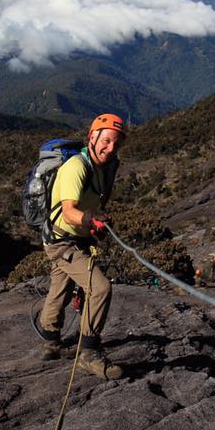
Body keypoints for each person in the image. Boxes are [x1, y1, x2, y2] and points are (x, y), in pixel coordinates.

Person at [38, 113, 126, 380]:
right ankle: (88, 354)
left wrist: (94, 223)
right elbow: (68, 212)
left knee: (60, 288)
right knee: (100, 288)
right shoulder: (76, 167)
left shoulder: (102, 167)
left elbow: (91, 204)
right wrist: (89, 219)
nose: (110, 149)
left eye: (116, 144)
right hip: (61, 240)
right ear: (92, 136)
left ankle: (51, 342)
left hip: (76, 237)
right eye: (106, 141)